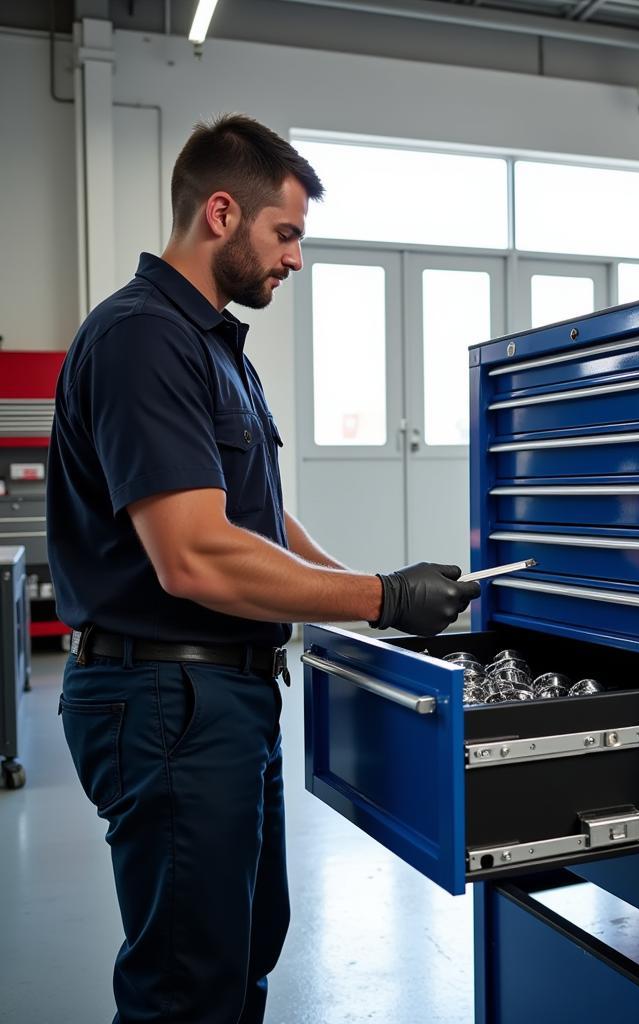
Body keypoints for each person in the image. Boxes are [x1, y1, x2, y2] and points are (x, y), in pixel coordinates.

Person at [46, 113, 479, 1024]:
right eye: (285, 235)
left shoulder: (212, 347)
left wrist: (377, 593)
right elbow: (195, 555)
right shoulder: (141, 338)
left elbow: (257, 517)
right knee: (187, 986)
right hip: (166, 698)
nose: (294, 259)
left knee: (246, 947)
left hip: (221, 699)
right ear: (219, 214)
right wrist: (378, 596)